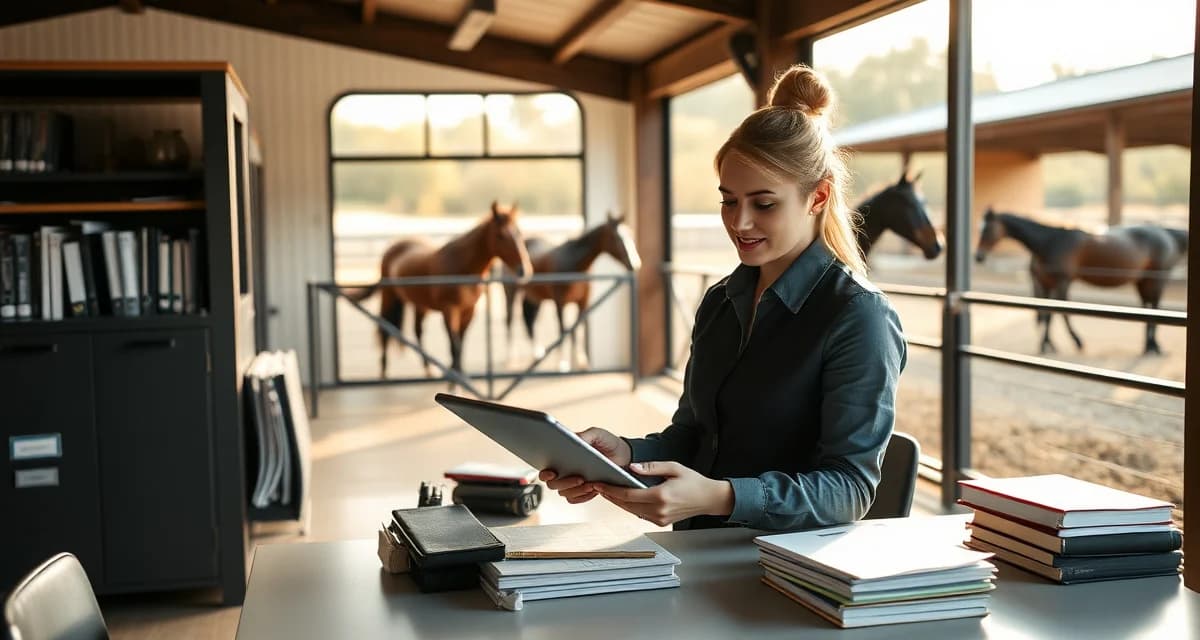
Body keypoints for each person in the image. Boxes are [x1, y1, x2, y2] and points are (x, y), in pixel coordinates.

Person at [540, 64, 907, 531]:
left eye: (764, 203)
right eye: (728, 200)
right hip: (697, 554)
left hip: (786, 569)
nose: (740, 222)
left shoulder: (859, 317)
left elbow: (849, 489)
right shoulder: (720, 301)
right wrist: (626, 452)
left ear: (818, 197)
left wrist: (723, 497)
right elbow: (694, 437)